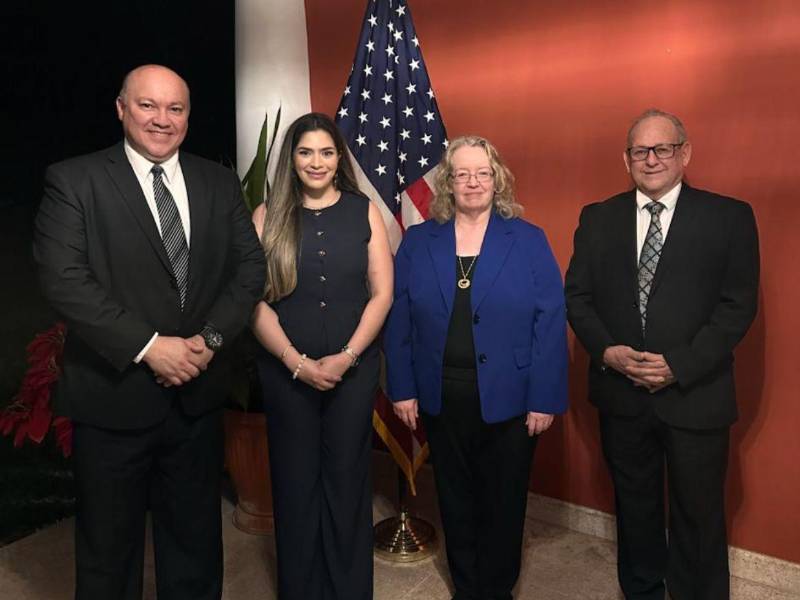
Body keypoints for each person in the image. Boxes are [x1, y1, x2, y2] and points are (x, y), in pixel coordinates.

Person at [33, 64, 266, 600]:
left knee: (195, 545)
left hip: (198, 399)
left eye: (175, 108)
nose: (162, 119)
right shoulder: (75, 181)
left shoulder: (217, 181)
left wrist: (209, 341)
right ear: (121, 108)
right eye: (147, 105)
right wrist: (148, 347)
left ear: (187, 116)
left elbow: (249, 269)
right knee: (108, 555)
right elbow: (65, 281)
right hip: (112, 400)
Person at [564, 109, 760, 600]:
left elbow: (737, 307)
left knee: (699, 513)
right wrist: (607, 352)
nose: (650, 160)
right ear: (625, 158)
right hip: (621, 394)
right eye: (639, 151)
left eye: (662, 149)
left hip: (696, 393)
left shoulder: (729, 217)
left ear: (684, 153)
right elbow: (577, 298)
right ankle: (644, 590)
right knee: (636, 508)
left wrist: (680, 365)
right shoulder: (597, 217)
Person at [384, 135, 568, 600]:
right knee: (455, 500)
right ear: (448, 182)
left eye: (481, 173)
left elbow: (550, 320)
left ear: (497, 179)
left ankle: (496, 590)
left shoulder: (527, 239)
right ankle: (467, 588)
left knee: (504, 504)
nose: (472, 182)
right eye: (462, 173)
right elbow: (400, 316)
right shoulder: (420, 241)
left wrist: (544, 397)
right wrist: (402, 388)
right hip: (442, 396)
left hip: (512, 397)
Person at [250, 112, 393, 599]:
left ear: (339, 159)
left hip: (352, 376)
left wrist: (347, 357)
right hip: (285, 375)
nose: (317, 162)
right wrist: (297, 363)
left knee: (348, 482)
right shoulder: (267, 217)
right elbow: (254, 303)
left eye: (327, 152)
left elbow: (382, 295)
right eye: (306, 152)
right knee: (294, 485)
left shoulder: (363, 211)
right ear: (291, 159)